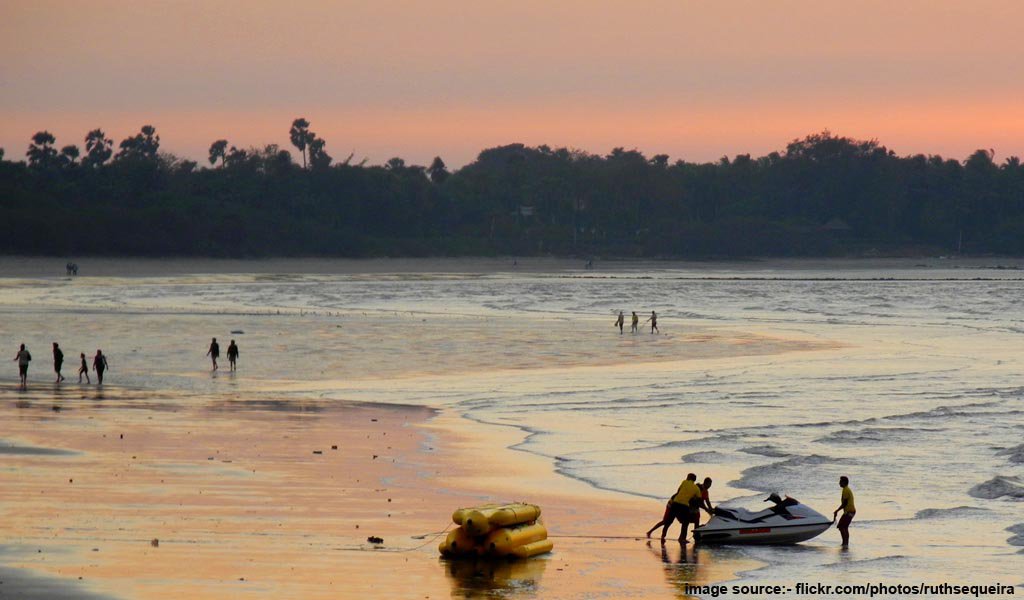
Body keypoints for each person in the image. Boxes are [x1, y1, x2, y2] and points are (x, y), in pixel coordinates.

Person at [661, 473, 701, 543]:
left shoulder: (684, 482)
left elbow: (678, 491)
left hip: (675, 503)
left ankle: (663, 535)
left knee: (669, 520)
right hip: (684, 505)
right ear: (694, 480)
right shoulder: (696, 488)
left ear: (688, 478)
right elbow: (699, 499)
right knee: (685, 523)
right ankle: (683, 539)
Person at [833, 475, 856, 547]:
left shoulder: (846, 490)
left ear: (844, 482)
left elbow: (844, 504)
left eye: (840, 481)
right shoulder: (846, 489)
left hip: (849, 511)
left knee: (841, 526)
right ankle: (845, 544)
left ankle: (845, 543)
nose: (839, 483)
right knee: (844, 527)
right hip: (851, 511)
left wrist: (837, 510)